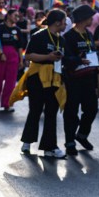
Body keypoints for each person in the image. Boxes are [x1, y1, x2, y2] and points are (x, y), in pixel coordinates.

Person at [20, 9, 67, 158]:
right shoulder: (39, 36)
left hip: (55, 79)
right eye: (64, 21)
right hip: (37, 78)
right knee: (35, 110)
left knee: (51, 112)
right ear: (58, 22)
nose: (66, 24)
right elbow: (28, 55)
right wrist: (48, 56)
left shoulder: (62, 40)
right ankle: (27, 141)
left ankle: (50, 147)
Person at [62, 4, 99, 155]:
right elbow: (65, 58)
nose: (92, 19)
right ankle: (70, 141)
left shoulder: (89, 34)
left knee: (92, 109)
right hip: (73, 80)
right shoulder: (69, 37)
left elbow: (93, 53)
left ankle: (82, 135)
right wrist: (78, 60)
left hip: (89, 79)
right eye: (90, 17)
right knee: (71, 111)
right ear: (83, 18)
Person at [0, 9, 25, 112]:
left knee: (11, 81)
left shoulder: (17, 30)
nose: (17, 18)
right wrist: (1, 53)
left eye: (18, 16)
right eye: (15, 15)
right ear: (8, 15)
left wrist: (21, 60)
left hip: (13, 56)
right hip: (1, 54)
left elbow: (20, 47)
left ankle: (7, 103)